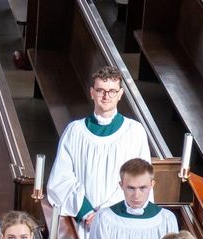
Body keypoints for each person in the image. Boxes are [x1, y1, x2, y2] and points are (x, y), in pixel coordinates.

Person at [47, 66, 151, 230]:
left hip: (120, 221)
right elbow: (61, 179)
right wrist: (87, 212)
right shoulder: (75, 131)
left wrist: (105, 214)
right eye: (100, 90)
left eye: (111, 91)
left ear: (120, 94)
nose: (106, 96)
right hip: (84, 222)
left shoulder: (134, 132)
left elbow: (139, 180)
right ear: (92, 93)